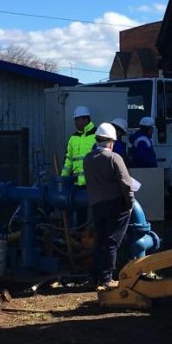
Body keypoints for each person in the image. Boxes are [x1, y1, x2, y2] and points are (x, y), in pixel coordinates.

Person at [83, 123, 135, 291]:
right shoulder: (114, 158)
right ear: (111, 142)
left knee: (101, 241)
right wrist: (130, 204)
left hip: (97, 206)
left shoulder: (87, 159)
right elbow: (126, 184)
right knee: (112, 241)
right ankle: (106, 279)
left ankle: (93, 277)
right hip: (116, 205)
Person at [60, 105, 96, 187]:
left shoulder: (97, 135)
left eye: (77, 120)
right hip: (76, 185)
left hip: (93, 184)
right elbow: (69, 161)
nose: (75, 123)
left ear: (86, 119)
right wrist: (62, 179)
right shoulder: (73, 138)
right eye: (75, 120)